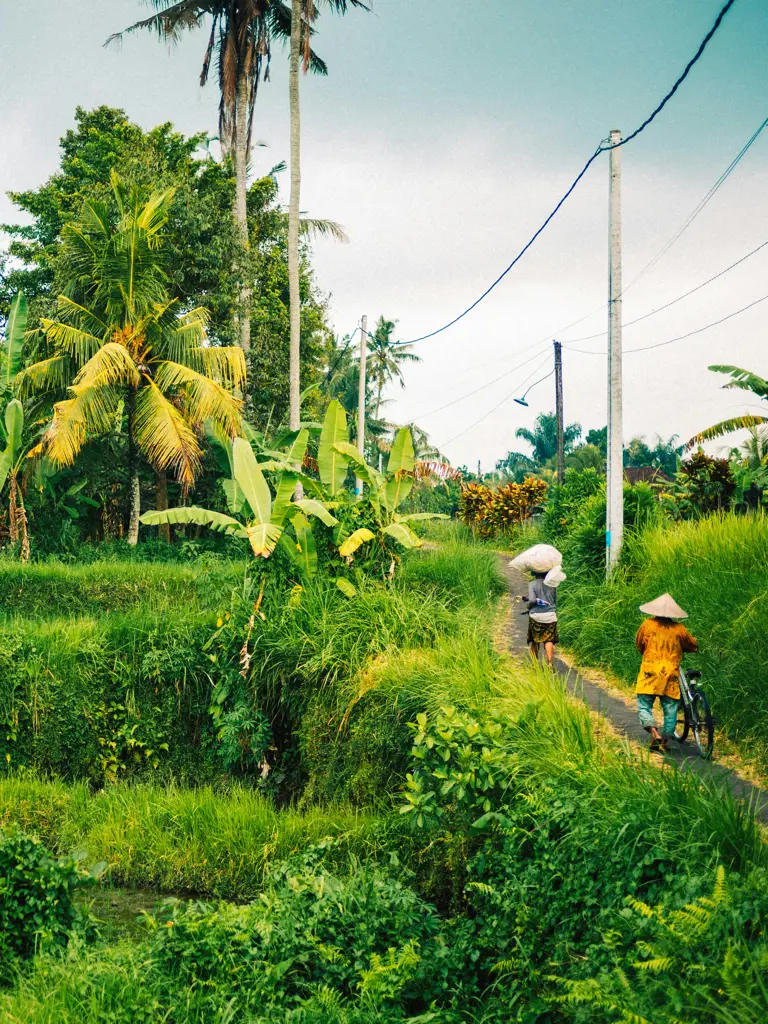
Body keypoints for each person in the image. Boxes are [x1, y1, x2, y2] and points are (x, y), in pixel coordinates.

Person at [635, 593, 698, 752]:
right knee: (670, 708)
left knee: (644, 705)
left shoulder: (647, 624)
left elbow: (639, 643)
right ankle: (664, 740)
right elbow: (692, 645)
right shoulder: (679, 629)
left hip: (650, 670)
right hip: (670, 672)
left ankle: (654, 732)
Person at [523, 569, 561, 668]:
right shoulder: (552, 584)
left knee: (535, 640)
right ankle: (549, 663)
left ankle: (534, 664)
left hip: (536, 616)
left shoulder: (532, 584)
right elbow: (554, 601)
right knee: (549, 640)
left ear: (535, 573)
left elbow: (532, 600)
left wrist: (528, 606)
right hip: (550, 616)